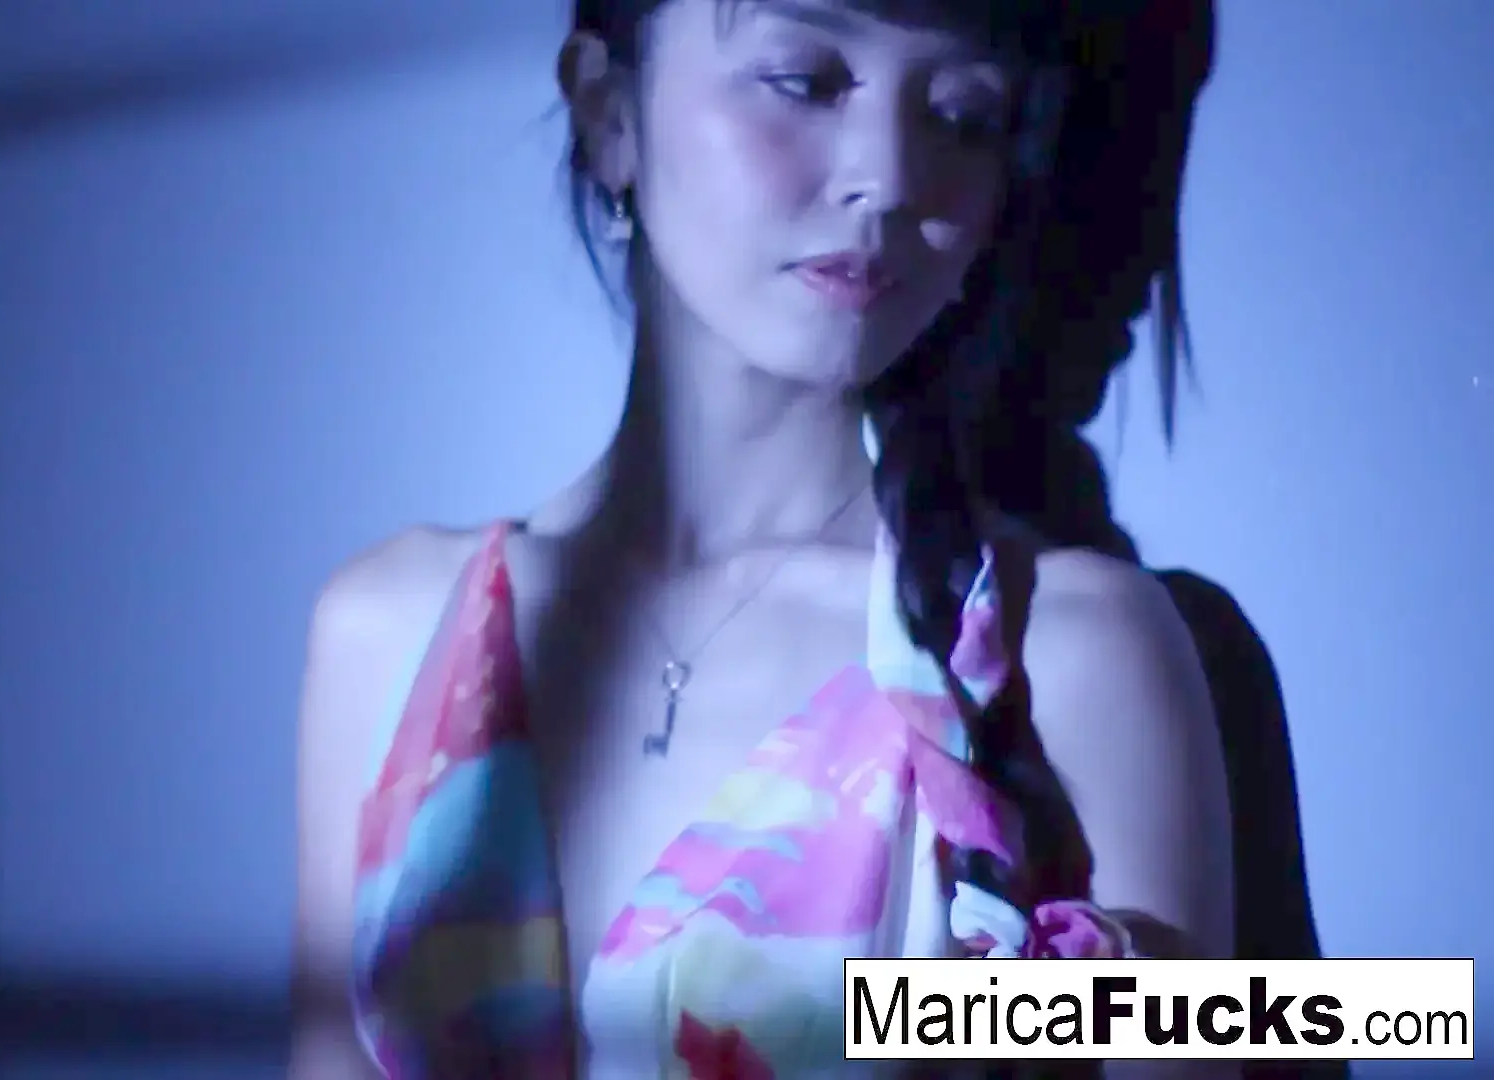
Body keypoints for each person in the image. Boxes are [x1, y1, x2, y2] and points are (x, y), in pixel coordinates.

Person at [289, 0, 1292, 1075]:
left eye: (961, 115)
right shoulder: (390, 632)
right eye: (804, 81)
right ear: (609, 112)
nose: (888, 176)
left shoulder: (1072, 654)